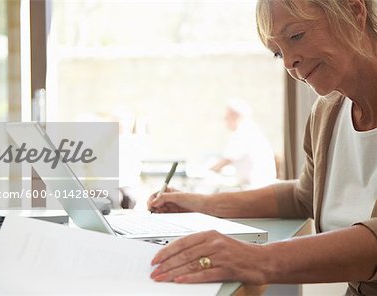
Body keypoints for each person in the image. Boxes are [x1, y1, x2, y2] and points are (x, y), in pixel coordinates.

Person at [147, 0, 377, 295]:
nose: (288, 62)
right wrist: (201, 204)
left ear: (354, 11)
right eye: (278, 52)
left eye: (296, 36)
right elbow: (303, 195)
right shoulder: (327, 114)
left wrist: (258, 259)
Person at [210, 99, 276, 188]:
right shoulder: (252, 130)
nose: (224, 119)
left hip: (254, 187)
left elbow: (225, 161)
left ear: (235, 116)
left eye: (227, 116)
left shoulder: (242, 133)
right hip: (261, 184)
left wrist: (207, 171)